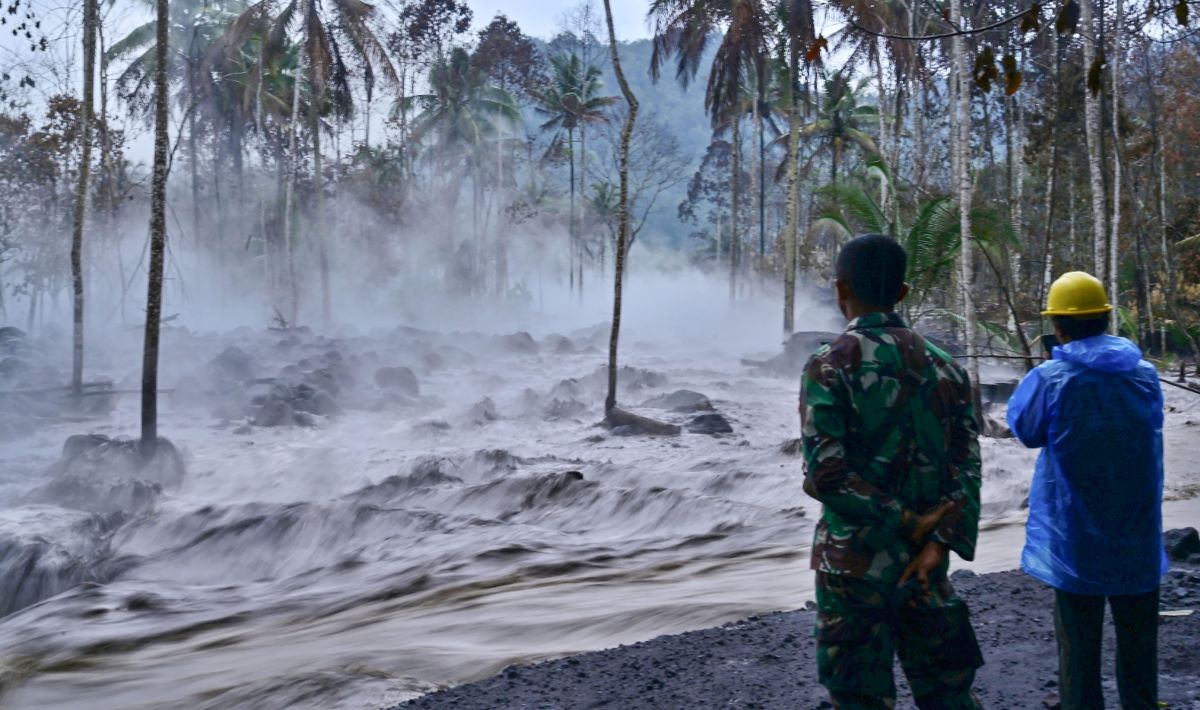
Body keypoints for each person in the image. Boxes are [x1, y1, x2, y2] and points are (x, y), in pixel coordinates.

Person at [801, 234, 984, 709]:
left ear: (840, 290)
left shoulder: (828, 366)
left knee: (859, 699)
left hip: (853, 568)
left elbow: (827, 475)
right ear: (902, 293)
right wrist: (938, 540)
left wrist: (903, 519)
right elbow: (967, 466)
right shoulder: (948, 368)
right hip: (925, 566)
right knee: (948, 695)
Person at [1007, 271, 1168, 710]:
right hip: (1137, 531)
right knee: (1139, 643)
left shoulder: (1051, 377)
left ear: (1058, 326)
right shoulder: (1146, 374)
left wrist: (1045, 369)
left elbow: (1026, 430)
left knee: (1078, 647)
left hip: (1075, 536)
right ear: (1105, 319)